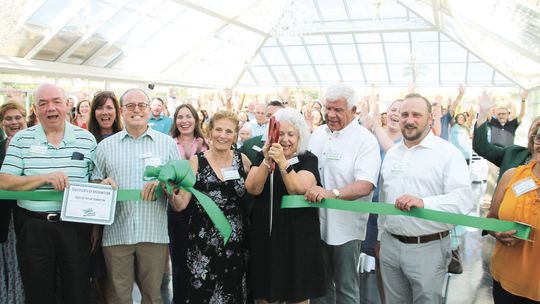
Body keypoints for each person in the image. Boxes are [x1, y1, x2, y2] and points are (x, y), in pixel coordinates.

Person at [0, 83, 97, 304]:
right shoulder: (21, 140)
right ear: (35, 109)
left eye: (56, 102)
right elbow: (3, 181)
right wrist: (44, 178)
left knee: (77, 290)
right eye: (43, 103)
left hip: (75, 227)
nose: (50, 108)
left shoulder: (86, 139)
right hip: (34, 228)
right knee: (38, 292)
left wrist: (105, 184)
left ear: (66, 106)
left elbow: (94, 181)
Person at [378, 93, 472, 304]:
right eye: (404, 114)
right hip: (390, 246)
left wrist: (424, 203)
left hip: (428, 248)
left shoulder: (447, 153)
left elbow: (463, 200)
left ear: (430, 118)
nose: (409, 120)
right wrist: (381, 237)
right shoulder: (392, 153)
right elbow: (385, 198)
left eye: (416, 115)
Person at [92, 88, 179, 304]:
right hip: (116, 233)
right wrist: (102, 184)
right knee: (118, 297)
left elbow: (178, 185)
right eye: (130, 106)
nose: (136, 110)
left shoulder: (166, 144)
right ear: (121, 111)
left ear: (149, 110)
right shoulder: (105, 147)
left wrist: (165, 183)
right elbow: (94, 182)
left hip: (154, 233)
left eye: (142, 105)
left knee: (152, 296)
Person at [306, 84, 381, 304]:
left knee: (346, 289)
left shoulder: (365, 140)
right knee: (319, 287)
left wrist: (332, 194)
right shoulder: (318, 134)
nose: (331, 114)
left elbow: (365, 185)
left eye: (338, 109)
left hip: (347, 230)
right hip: (316, 226)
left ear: (353, 110)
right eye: (328, 108)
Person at [167, 111, 251, 303]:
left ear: (235, 135)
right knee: (203, 294)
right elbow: (181, 204)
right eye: (218, 129)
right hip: (203, 244)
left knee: (234, 292)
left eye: (228, 131)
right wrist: (169, 191)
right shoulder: (196, 161)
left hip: (235, 243)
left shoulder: (243, 161)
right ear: (210, 132)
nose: (223, 135)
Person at [245, 108, 326, 303]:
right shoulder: (263, 157)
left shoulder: (308, 159)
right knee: (265, 293)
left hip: (298, 239)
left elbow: (298, 189)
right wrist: (267, 160)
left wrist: (282, 163)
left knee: (298, 294)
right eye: (280, 134)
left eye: (291, 134)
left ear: (300, 137)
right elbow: (252, 188)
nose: (285, 140)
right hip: (266, 238)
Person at [487, 130, 540, 303]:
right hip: (506, 284)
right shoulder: (512, 176)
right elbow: (492, 218)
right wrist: (497, 233)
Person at [167, 103, 209, 303]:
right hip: (176, 207)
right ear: (175, 121)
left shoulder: (206, 144)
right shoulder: (167, 144)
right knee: (179, 259)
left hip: (202, 207)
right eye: (180, 117)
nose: (184, 121)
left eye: (188, 116)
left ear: (195, 119)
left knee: (201, 256)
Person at [473, 91, 538, 181]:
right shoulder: (493, 122)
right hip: (495, 154)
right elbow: (481, 146)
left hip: (509, 157)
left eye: (503, 114)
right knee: (492, 181)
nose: (501, 115)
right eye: (499, 114)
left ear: (508, 115)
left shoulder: (513, 124)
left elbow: (521, 114)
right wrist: (484, 111)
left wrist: (523, 100)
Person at [0, 102, 27, 304]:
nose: (14, 122)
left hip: (29, 218)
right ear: (2, 123)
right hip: (5, 220)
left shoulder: (35, 146)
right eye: (8, 118)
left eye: (18, 117)